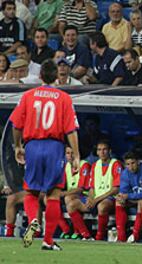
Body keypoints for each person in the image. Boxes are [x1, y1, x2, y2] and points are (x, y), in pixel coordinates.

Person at [9, 59, 80, 250]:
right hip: (54, 147)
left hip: (32, 146)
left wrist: (17, 146)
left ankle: (33, 220)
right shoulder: (64, 98)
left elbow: (16, 124)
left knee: (31, 191)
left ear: (40, 76)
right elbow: (71, 130)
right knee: (54, 194)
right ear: (56, 76)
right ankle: (48, 240)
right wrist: (76, 155)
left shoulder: (28, 96)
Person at [88, 139, 123, 240]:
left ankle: (99, 236)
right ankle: (84, 234)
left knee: (102, 206)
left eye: (104, 149)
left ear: (110, 151)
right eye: (99, 150)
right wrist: (90, 199)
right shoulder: (95, 165)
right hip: (96, 198)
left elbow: (116, 189)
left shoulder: (116, 164)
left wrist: (96, 200)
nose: (102, 152)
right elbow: (91, 187)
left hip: (111, 198)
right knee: (72, 204)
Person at [62, 144, 93, 240]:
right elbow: (62, 184)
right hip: (73, 196)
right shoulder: (67, 166)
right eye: (67, 153)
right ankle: (68, 230)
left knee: (68, 198)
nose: (70, 156)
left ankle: (78, 231)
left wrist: (62, 193)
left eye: (73, 153)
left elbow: (81, 189)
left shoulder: (84, 165)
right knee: (50, 198)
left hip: (85, 196)